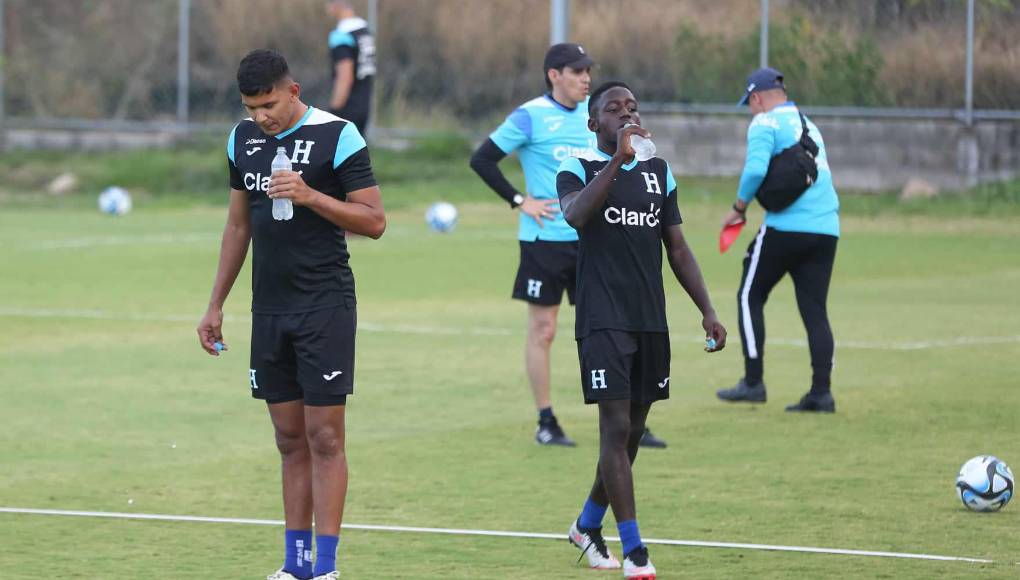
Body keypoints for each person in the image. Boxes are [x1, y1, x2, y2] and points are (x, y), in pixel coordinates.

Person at [196, 49, 385, 580]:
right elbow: (239, 226)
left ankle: (325, 568)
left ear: (294, 90)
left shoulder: (338, 134)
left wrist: (309, 195)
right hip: (270, 309)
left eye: (270, 104)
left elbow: (374, 221)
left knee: (324, 437)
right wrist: (216, 304)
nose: (262, 117)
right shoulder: (241, 140)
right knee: (287, 439)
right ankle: (294, 565)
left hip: (324, 306)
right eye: (251, 107)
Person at [557, 81, 727, 579]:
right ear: (595, 124)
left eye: (632, 107)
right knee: (613, 430)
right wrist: (619, 161)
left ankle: (587, 524)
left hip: (649, 318)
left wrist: (707, 309)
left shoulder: (660, 172)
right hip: (601, 318)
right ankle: (634, 552)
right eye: (614, 109)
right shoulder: (578, 166)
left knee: (633, 431)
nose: (626, 114)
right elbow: (576, 214)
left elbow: (676, 246)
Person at [470, 43, 668, 448]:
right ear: (554, 75)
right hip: (546, 241)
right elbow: (483, 159)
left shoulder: (600, 116)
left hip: (598, 242)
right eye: (577, 71)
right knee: (544, 330)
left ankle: (632, 420)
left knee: (618, 327)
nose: (586, 78)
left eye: (588, 71)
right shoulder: (530, 116)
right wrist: (519, 200)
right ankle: (547, 420)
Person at [715, 67, 840, 413]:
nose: (751, 110)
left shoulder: (764, 123)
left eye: (750, 104)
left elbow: (755, 170)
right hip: (827, 227)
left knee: (748, 295)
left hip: (786, 227)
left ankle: (753, 382)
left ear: (756, 98)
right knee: (815, 310)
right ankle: (821, 392)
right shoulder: (809, 124)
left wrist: (739, 208)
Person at [326, 1, 376, 135]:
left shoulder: (341, 34)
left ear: (335, 5)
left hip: (348, 106)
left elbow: (345, 76)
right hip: (364, 103)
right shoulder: (364, 29)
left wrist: (334, 110)